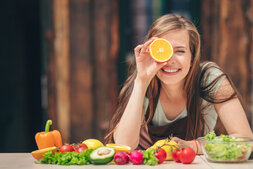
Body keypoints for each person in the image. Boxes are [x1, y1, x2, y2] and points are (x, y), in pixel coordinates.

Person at [105, 14, 253, 154]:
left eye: (180, 51)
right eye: (163, 51)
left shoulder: (209, 77)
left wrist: (193, 146)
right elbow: (124, 146)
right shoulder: (143, 82)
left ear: (192, 58)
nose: (170, 60)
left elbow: (246, 139)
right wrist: (141, 80)